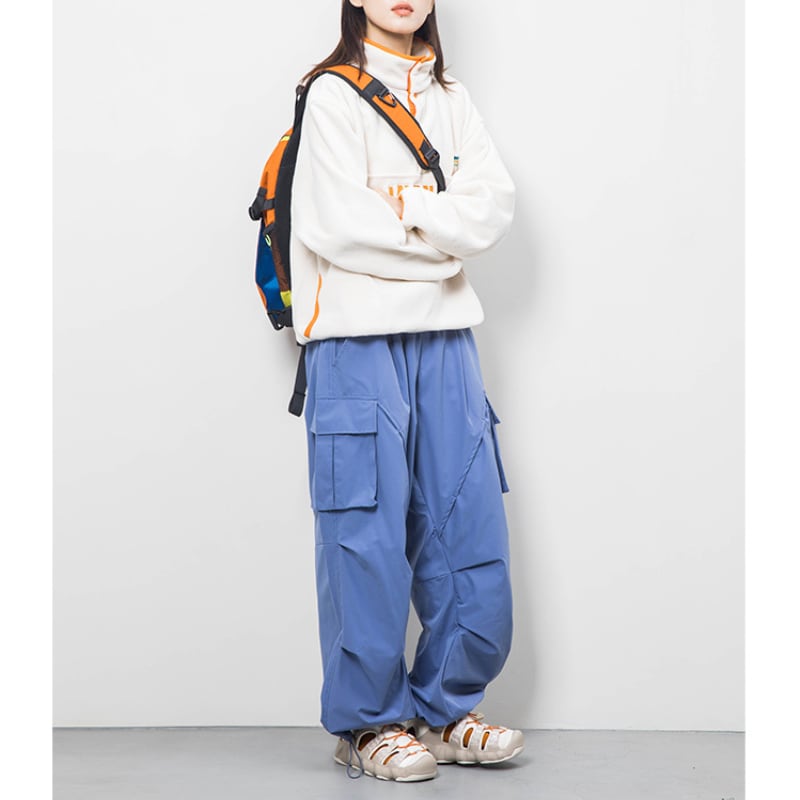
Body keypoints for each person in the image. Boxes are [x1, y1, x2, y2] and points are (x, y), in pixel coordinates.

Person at [289, 0, 522, 782]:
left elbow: (492, 210)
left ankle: (446, 710)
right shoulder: (330, 93)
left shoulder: (452, 99)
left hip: (447, 337)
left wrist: (409, 209)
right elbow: (335, 225)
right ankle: (367, 725)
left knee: (469, 525)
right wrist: (445, 240)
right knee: (365, 536)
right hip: (352, 342)